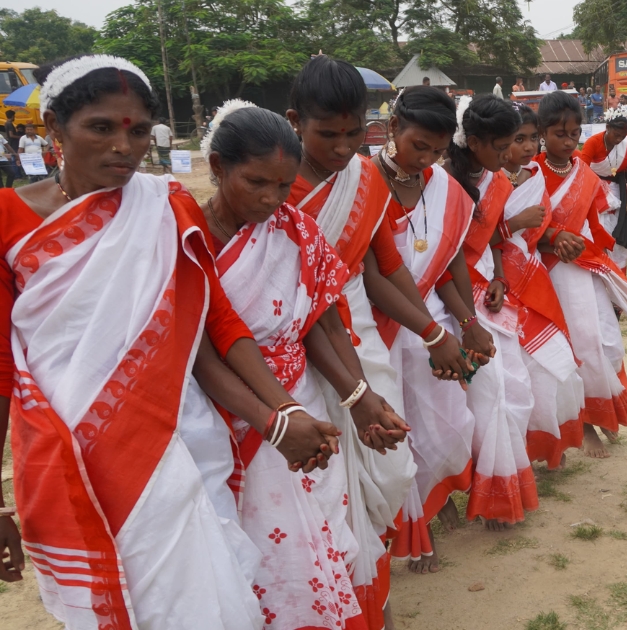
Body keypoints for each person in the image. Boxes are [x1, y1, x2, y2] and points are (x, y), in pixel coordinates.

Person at [0, 54, 345, 629]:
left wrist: (279, 414)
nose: (123, 147)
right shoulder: (10, 219)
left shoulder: (166, 207)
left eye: (137, 131)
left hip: (174, 440)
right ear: (55, 128)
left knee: (209, 603)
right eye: (101, 128)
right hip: (70, 453)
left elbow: (216, 330)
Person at [197, 100, 409, 630]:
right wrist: (277, 419)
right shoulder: (186, 236)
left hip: (305, 408)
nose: (271, 199)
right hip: (226, 415)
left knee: (321, 534)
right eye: (256, 182)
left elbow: (321, 323)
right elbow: (203, 349)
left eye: (282, 186)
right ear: (218, 167)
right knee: (258, 552)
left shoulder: (294, 230)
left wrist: (358, 399)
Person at [283, 55, 427, 624]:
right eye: (327, 135)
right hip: (299, 353)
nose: (343, 147)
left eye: (355, 133)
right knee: (325, 494)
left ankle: (374, 593)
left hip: (360, 336)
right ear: (295, 121)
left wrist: (437, 330)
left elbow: (385, 266)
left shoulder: (366, 178)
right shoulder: (273, 185)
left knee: (388, 474)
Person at [372, 86, 491, 574]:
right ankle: (418, 532)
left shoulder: (443, 187)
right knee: (399, 434)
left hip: (434, 324)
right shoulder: (361, 182)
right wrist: (433, 334)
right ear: (393, 127)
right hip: (377, 325)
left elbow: (449, 263)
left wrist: (469, 323)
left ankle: (440, 502)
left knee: (448, 425)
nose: (426, 160)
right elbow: (370, 275)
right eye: (419, 146)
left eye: (437, 152)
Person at [444, 95, 543, 531]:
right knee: (486, 391)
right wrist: (465, 316)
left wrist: (500, 278)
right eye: (502, 146)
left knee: (516, 386)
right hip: (451, 298)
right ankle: (487, 495)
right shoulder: (443, 181)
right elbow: (444, 257)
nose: (509, 155)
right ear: (475, 140)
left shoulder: (496, 180)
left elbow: (495, 241)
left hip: (489, 290)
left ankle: (503, 482)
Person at [534, 91, 627, 458]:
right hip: (551, 272)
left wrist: (605, 260)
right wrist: (553, 238)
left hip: (586, 265)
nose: (568, 141)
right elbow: (524, 230)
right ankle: (584, 424)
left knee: (607, 342)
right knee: (576, 347)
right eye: (559, 134)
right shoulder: (531, 172)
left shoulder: (584, 173)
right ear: (542, 132)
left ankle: (605, 410)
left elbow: (593, 223)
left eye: (573, 134)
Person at [499, 104, 586, 470]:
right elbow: (471, 240)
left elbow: (539, 234)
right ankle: (514, 456)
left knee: (553, 366)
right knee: (515, 379)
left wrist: (557, 237)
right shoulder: (485, 181)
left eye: (533, 138)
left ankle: (553, 444)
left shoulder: (533, 176)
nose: (529, 146)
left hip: (535, 280)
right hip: (498, 285)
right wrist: (514, 223)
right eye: (519, 139)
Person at [580, 109, 627, 269]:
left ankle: (619, 272)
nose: (619, 139)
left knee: (616, 234)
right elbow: (581, 169)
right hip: (593, 192)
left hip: (617, 194)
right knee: (598, 231)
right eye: (616, 135)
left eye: (623, 136)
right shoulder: (593, 142)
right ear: (607, 127)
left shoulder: (626, 146)